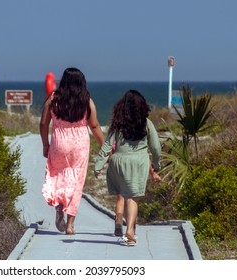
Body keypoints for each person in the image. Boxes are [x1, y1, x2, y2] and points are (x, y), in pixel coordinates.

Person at [40, 67, 104, 235]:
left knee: (58, 175)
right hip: (79, 145)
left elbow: (43, 123)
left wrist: (45, 144)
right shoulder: (86, 100)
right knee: (76, 183)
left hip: (59, 143)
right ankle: (70, 225)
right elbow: (95, 125)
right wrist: (104, 146)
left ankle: (59, 203)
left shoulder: (53, 98)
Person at [94, 89, 161, 246]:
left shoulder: (118, 124)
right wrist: (156, 165)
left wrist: (98, 166)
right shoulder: (147, 123)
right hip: (139, 163)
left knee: (125, 194)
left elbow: (107, 146)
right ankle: (130, 230)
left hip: (119, 162)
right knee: (132, 197)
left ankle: (127, 226)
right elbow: (156, 147)